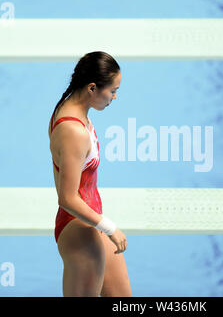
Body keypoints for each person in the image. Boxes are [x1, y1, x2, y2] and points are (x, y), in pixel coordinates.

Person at [48, 51, 132, 297]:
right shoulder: (73, 130)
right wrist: (109, 227)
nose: (115, 97)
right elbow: (67, 198)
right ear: (92, 88)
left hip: (91, 222)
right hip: (79, 230)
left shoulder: (70, 109)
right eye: (113, 91)